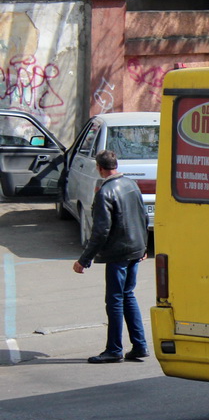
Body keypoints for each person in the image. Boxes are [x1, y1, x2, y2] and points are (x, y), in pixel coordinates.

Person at [72, 149, 150, 363]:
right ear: (116, 165)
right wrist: (143, 248)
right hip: (135, 250)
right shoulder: (131, 184)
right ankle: (140, 345)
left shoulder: (105, 192)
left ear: (99, 167)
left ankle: (114, 349)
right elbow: (143, 217)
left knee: (115, 300)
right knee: (128, 295)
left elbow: (100, 231)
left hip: (119, 253)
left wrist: (84, 260)